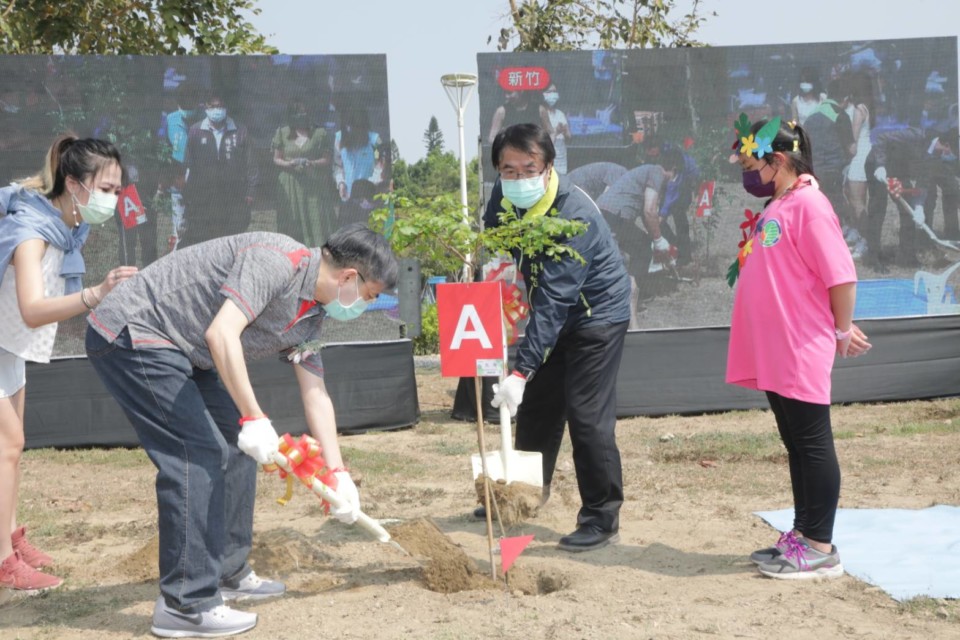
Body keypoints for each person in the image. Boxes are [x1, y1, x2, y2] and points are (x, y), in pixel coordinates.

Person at [84, 224, 398, 637]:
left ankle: (228, 571)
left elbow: (316, 392)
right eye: (370, 296)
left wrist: (337, 473)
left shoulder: (312, 316)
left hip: (187, 351)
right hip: (135, 331)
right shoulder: (276, 260)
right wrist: (254, 417)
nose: (364, 305)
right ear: (349, 278)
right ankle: (185, 603)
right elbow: (221, 333)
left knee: (237, 451)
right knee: (198, 453)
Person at [726, 115, 871, 579]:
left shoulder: (809, 204)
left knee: (811, 443)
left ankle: (820, 547)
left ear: (780, 161)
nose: (748, 172)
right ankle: (802, 534)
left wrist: (842, 331)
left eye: (754, 163)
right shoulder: (781, 204)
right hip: (775, 346)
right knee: (794, 442)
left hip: (799, 344)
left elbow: (841, 276)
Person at [483, 123, 631, 552]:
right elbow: (495, 237)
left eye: (528, 168)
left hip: (596, 316)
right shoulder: (505, 196)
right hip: (554, 315)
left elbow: (554, 301)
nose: (518, 178)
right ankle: (523, 496)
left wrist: (520, 370)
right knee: (539, 410)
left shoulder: (574, 216)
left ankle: (601, 517)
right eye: (507, 170)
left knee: (587, 415)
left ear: (549, 168)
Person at [0, 135, 137, 592]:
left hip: (8, 347)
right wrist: (96, 293)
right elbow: (32, 309)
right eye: (106, 189)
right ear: (75, 184)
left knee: (10, 450)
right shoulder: (31, 231)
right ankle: (3, 562)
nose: (113, 199)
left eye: (117, 190)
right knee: (9, 445)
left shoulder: (66, 228)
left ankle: (10, 539)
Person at [864, 125, 958, 268]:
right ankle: (873, 257)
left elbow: (923, 180)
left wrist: (919, 206)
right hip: (877, 164)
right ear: (946, 144)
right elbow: (881, 139)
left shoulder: (935, 156)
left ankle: (906, 257)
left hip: (898, 170)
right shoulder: (917, 135)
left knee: (908, 212)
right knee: (878, 209)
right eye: (951, 151)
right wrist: (880, 165)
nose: (950, 156)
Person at [595, 150, 683, 298]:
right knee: (640, 249)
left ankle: (632, 293)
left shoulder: (646, 171)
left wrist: (657, 240)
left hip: (606, 214)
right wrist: (659, 241)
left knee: (640, 245)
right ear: (674, 169)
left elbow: (646, 217)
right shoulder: (657, 173)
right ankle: (633, 295)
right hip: (612, 217)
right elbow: (649, 211)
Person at [180, 93, 259, 247]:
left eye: (220, 106)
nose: (217, 110)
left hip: (233, 195)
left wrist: (251, 191)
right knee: (206, 240)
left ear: (226, 108)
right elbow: (188, 165)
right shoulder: (195, 131)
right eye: (213, 106)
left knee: (232, 239)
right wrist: (187, 193)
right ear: (206, 108)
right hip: (204, 197)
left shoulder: (240, 131)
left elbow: (251, 165)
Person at [272, 99, 336, 246]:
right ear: (291, 115)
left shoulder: (319, 133)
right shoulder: (282, 133)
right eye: (298, 112)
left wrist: (312, 163)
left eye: (305, 111)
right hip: (289, 183)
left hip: (313, 182)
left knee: (316, 218)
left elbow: (327, 159)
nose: (302, 115)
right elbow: (276, 159)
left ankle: (317, 249)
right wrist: (289, 164)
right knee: (291, 218)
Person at [841, 71, 875, 258]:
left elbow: (852, 140)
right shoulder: (865, 106)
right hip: (863, 156)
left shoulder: (858, 110)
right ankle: (857, 233)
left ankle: (865, 242)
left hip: (859, 158)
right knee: (853, 198)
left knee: (858, 203)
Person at [334, 107, 384, 201]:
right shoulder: (339, 138)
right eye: (347, 127)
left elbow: (380, 165)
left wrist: (371, 183)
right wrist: (341, 183)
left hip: (369, 196)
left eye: (353, 127)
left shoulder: (375, 141)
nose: (349, 130)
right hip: (348, 197)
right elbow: (337, 165)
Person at [487, 88, 552, 144]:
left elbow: (550, 133)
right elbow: (492, 138)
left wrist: (543, 148)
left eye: (510, 93)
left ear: (521, 91)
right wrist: (508, 144)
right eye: (505, 93)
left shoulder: (540, 109)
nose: (507, 96)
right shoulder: (501, 111)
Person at [542, 83, 570, 174]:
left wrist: (565, 130)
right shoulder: (542, 113)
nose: (553, 94)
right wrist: (556, 132)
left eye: (554, 92)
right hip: (548, 155)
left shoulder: (560, 114)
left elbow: (569, 136)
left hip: (561, 155)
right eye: (549, 92)